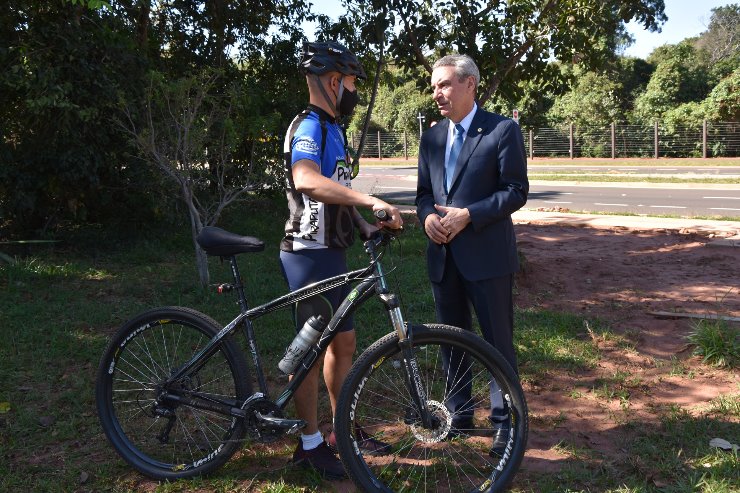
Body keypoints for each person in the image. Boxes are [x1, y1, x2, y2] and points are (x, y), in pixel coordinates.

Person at [281, 40, 402, 479]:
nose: (354, 90)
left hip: (332, 251)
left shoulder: (334, 128)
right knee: (310, 353)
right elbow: (307, 180)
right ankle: (309, 443)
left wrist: (362, 223)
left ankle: (340, 431)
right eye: (352, 81)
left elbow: (337, 186)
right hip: (307, 254)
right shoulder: (310, 127)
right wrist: (370, 200)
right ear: (333, 82)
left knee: (344, 343)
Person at [415, 54, 528, 455]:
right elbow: (424, 195)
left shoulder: (501, 131)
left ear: (469, 85)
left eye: (444, 84)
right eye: (434, 87)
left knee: (497, 342)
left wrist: (469, 215)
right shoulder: (431, 138)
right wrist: (427, 216)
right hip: (443, 258)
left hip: (488, 258)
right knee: (451, 339)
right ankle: (460, 413)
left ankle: (505, 422)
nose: (437, 94)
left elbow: (516, 190)